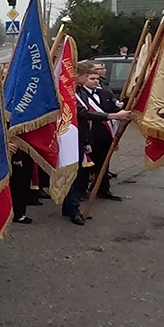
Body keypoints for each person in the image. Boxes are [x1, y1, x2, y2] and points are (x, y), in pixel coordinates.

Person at [65, 63, 131, 223]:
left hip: (82, 136)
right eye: (88, 76)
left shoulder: (80, 91)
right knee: (74, 174)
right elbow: (83, 113)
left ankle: (70, 207)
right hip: (70, 137)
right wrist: (112, 116)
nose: (95, 80)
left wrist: (87, 140)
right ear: (79, 76)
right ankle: (73, 207)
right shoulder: (69, 92)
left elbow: (86, 119)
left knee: (78, 173)